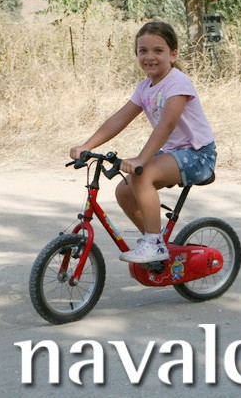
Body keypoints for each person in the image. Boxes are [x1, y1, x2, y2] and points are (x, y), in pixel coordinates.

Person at [69, 21, 217, 263]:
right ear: (136, 54)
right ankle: (155, 241)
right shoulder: (144, 87)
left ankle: (154, 244)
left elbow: (167, 124)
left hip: (199, 155)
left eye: (158, 51)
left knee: (142, 174)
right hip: (173, 154)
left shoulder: (177, 82)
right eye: (143, 51)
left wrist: (141, 159)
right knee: (124, 191)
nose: (150, 57)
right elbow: (119, 118)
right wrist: (87, 146)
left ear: (173, 54)